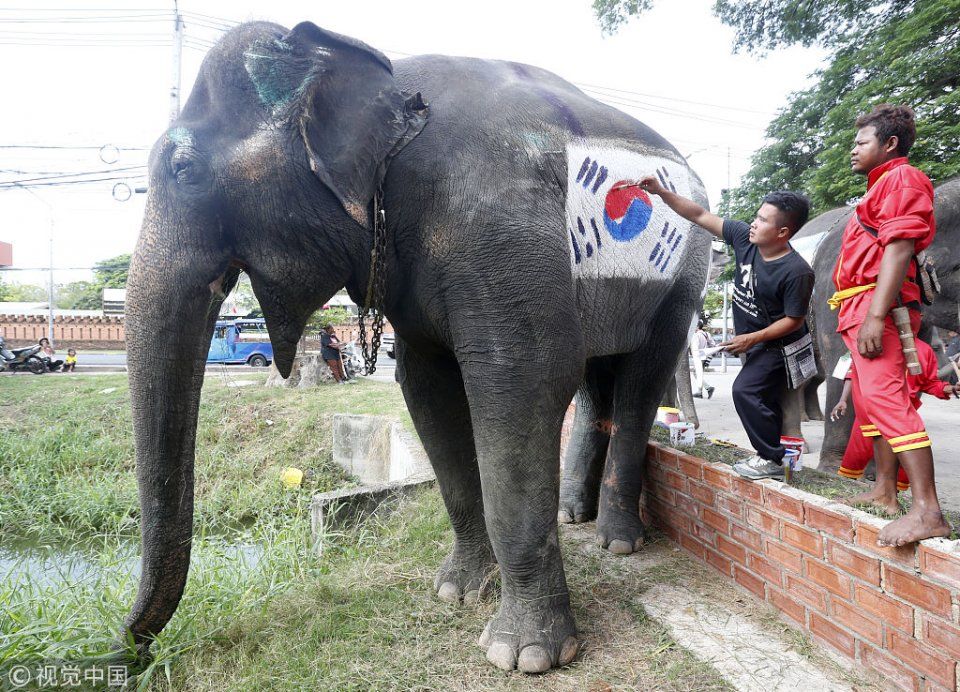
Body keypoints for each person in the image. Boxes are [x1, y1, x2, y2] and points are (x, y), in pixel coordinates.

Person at [828, 103, 950, 546]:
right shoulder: (879, 186)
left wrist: (876, 315)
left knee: (888, 403)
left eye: (862, 142)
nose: (853, 150)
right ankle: (884, 492)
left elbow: (898, 250)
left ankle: (927, 511)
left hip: (875, 306)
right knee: (872, 404)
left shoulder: (901, 178)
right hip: (858, 306)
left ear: (890, 143)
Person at [638, 176, 813, 480]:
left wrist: (752, 338)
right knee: (763, 399)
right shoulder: (745, 238)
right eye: (757, 216)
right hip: (755, 340)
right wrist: (661, 191)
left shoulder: (796, 272)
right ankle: (778, 455)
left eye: (763, 220)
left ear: (783, 232)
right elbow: (699, 215)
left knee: (745, 391)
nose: (754, 223)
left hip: (782, 346)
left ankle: (771, 459)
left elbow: (794, 320)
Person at [831, 338, 955, 511]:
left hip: (900, 416)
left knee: (905, 458)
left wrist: (948, 388)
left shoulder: (923, 350)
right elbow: (853, 372)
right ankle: (863, 494)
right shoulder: (873, 341)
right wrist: (843, 400)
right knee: (855, 458)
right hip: (871, 416)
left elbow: (929, 382)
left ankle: (902, 502)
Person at [690, 319, 715, 399]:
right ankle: (699, 392)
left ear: (697, 326)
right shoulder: (707, 334)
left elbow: (695, 347)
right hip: (705, 357)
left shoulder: (696, 335)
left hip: (698, 357)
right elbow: (713, 344)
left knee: (696, 373)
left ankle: (708, 388)